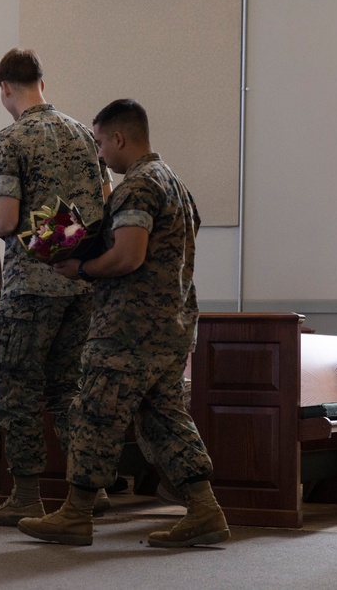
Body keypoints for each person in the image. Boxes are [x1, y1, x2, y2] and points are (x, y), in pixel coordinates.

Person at [17, 99, 229, 548]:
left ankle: (75, 515)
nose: (98, 154)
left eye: (99, 143)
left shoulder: (137, 186)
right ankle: (205, 509)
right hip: (170, 327)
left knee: (93, 413)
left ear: (118, 138)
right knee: (164, 419)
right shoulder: (175, 184)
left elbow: (129, 255)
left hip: (128, 329)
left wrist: (82, 269)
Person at [0, 48, 110, 526]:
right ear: (41, 83)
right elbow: (104, 204)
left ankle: (26, 496)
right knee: (68, 389)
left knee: (17, 389)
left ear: (4, 88)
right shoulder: (84, 136)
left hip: (31, 285)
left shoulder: (11, 138)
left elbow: (6, 217)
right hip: (82, 281)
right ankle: (88, 489)